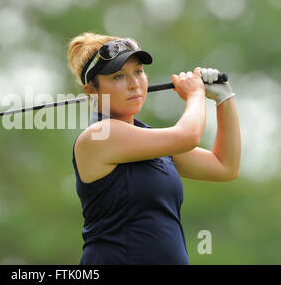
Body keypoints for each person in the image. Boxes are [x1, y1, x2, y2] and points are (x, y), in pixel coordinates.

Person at [66, 32, 241, 264]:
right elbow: (188, 136)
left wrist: (224, 99)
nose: (134, 84)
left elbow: (224, 166)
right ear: (92, 91)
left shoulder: (149, 141)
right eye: (118, 76)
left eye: (138, 72)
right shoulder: (99, 136)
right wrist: (196, 94)